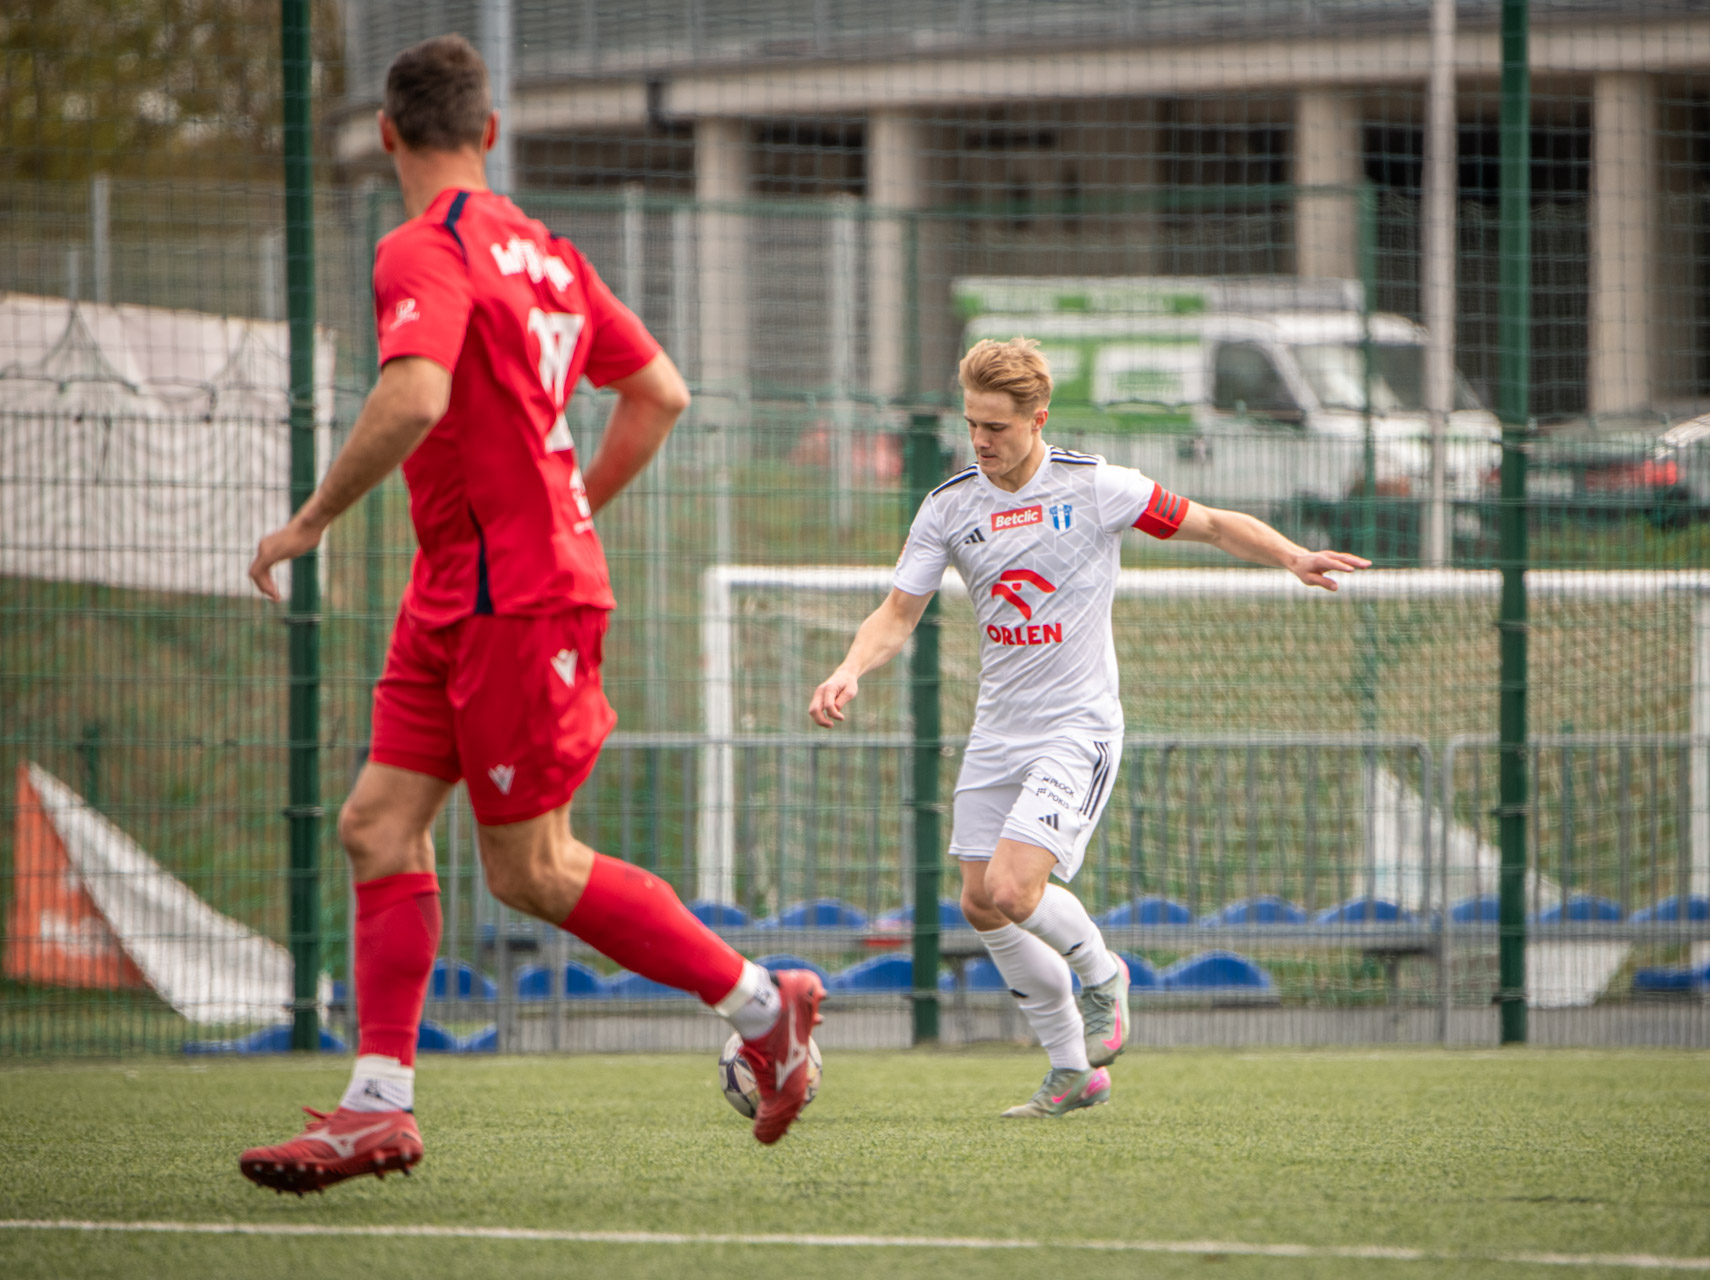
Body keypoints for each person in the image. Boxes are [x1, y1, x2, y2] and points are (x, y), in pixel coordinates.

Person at [239, 35, 821, 1194]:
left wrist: (309, 520)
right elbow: (660, 393)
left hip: (517, 594)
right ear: (489, 132)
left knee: (532, 870)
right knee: (376, 824)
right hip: (459, 583)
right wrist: (574, 504)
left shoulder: (424, 242)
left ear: (389, 135)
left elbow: (415, 391)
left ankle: (769, 1010)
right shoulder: (547, 254)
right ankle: (378, 1105)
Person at [809, 338, 1367, 1117]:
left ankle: (1103, 974)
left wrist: (1290, 555)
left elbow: (1208, 523)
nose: (980, 440)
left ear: (1037, 419)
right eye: (972, 423)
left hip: (1078, 727)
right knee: (978, 903)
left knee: (1014, 886)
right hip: (998, 730)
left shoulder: (1097, 487)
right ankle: (1073, 1068)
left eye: (997, 427)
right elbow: (898, 612)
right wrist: (849, 670)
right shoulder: (949, 505)